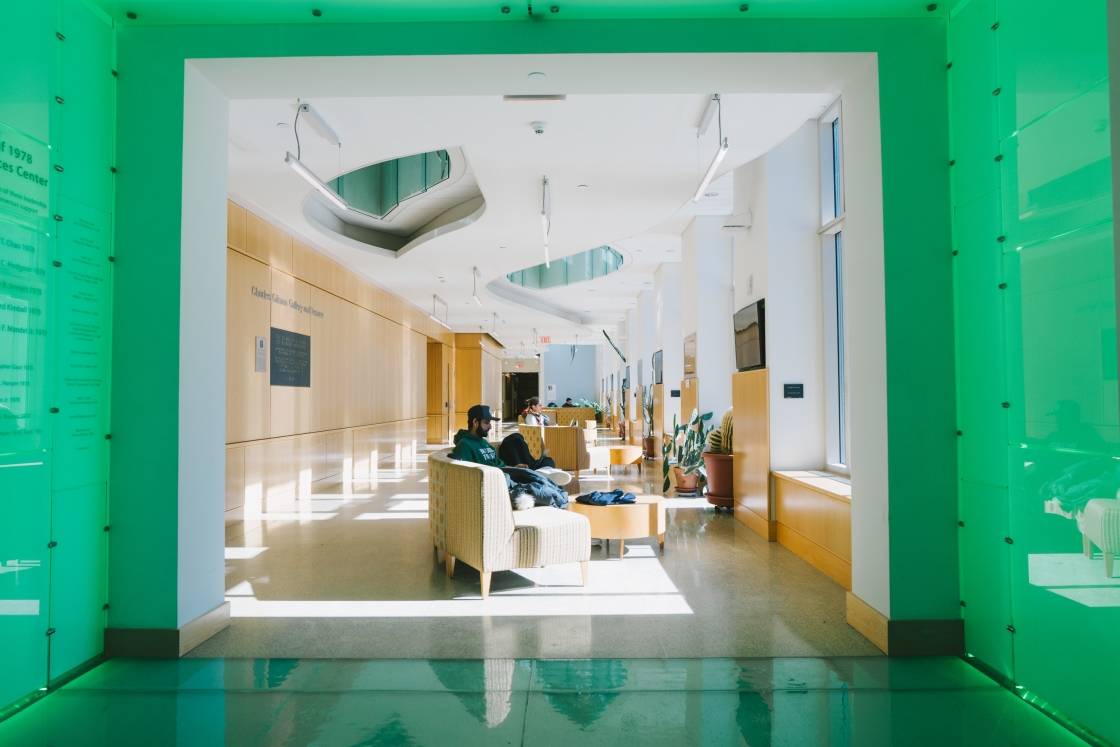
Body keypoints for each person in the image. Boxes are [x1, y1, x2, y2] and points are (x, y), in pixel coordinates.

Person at [453, 404, 571, 486]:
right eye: (486, 423)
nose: (490, 426)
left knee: (547, 460)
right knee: (527, 471)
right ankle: (539, 475)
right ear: (475, 422)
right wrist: (508, 471)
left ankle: (542, 472)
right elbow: (467, 474)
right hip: (498, 477)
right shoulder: (464, 445)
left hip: (507, 470)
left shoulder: (483, 442)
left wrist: (514, 467)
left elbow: (497, 462)